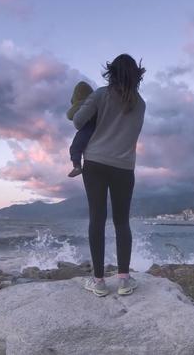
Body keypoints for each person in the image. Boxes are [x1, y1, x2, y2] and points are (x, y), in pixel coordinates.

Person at [72, 54, 146, 297]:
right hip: (124, 166)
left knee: (97, 219)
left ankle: (99, 282)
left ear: (111, 72)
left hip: (95, 162)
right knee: (122, 222)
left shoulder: (100, 95)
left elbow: (78, 121)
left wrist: (86, 107)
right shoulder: (140, 103)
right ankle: (124, 280)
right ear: (136, 75)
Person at [66, 81, 95, 177]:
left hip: (87, 128)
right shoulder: (98, 102)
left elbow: (70, 115)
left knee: (76, 146)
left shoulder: (83, 105)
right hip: (99, 129)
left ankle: (77, 166)